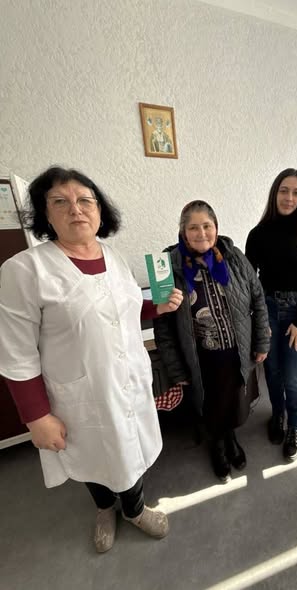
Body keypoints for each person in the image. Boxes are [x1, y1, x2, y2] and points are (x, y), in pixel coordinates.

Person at [0, 166, 183, 553]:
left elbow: (123, 308)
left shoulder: (113, 257)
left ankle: (134, 510)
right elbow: (16, 353)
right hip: (79, 394)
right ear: (45, 214)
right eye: (60, 201)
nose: (76, 209)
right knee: (92, 454)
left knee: (129, 450)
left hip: (128, 383)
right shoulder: (25, 270)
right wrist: (36, 416)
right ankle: (104, 508)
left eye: (85, 200)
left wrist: (158, 307)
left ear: (100, 210)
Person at [153, 200, 270, 483]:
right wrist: (176, 368)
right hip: (199, 356)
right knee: (210, 403)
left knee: (234, 400)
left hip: (236, 349)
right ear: (183, 232)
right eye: (193, 227)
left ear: (216, 228)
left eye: (207, 226)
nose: (201, 233)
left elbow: (258, 298)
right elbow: (163, 325)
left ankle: (230, 437)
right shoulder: (164, 267)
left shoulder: (234, 256)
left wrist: (262, 341)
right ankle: (217, 444)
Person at [246, 169, 297, 461]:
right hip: (267, 311)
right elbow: (250, 281)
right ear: (275, 193)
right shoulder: (258, 234)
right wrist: (258, 319)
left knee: (293, 377)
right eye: (284, 190)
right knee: (273, 372)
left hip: (296, 314)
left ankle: (295, 427)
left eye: (296, 192)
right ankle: (277, 415)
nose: (289, 197)